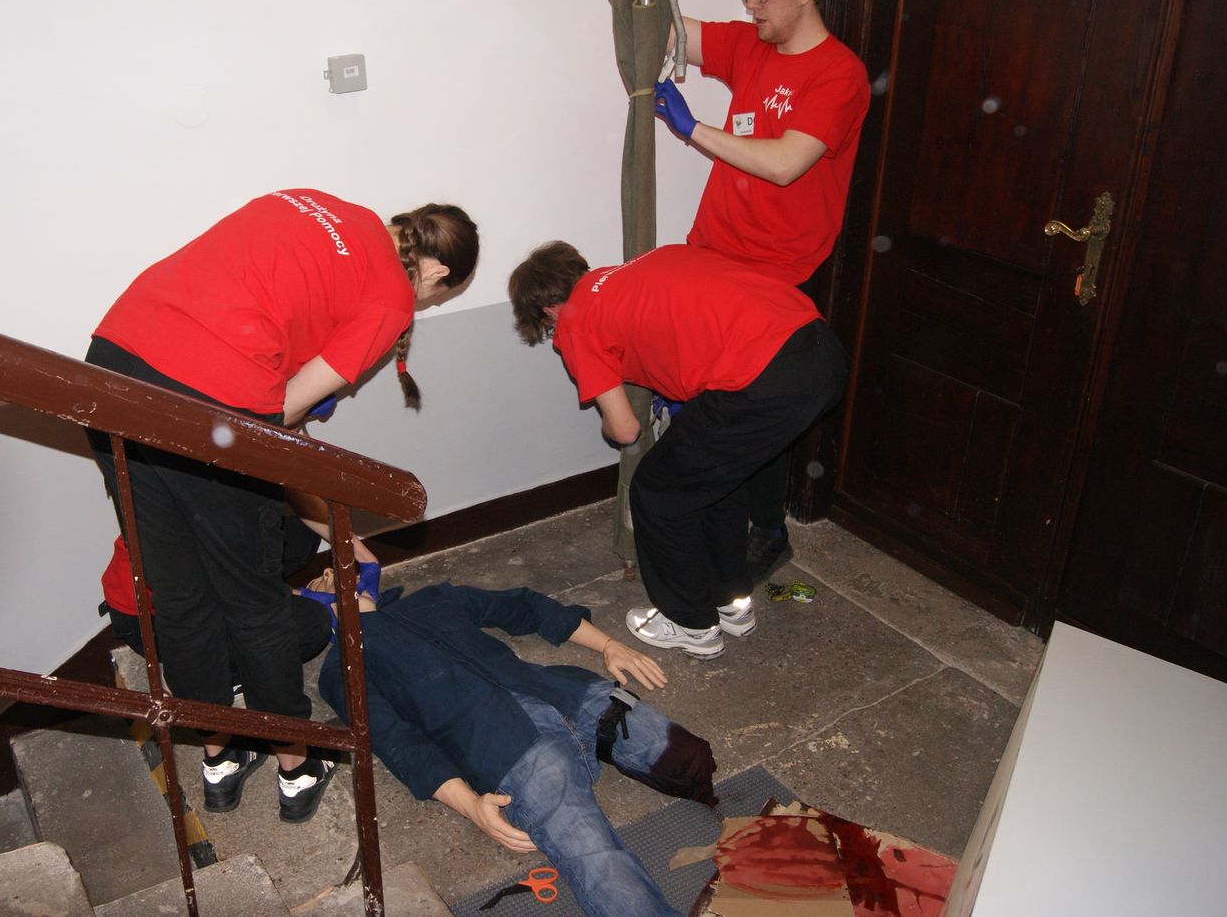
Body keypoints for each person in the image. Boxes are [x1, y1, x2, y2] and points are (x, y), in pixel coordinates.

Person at [85, 189, 478, 823]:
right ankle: (295, 763)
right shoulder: (390, 299)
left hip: (111, 368)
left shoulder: (313, 201)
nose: (423, 306)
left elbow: (259, 308)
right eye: (436, 296)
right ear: (435, 272)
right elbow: (279, 415)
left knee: (179, 597)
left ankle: (218, 756)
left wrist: (335, 527)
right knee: (254, 601)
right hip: (208, 410)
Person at [653, 0, 869, 605]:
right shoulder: (752, 45)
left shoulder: (839, 74)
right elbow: (666, 30)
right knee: (715, 398)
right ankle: (722, 522)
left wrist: (692, 129)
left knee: (754, 405)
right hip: (714, 252)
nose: (750, 6)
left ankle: (766, 531)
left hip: (777, 268)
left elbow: (784, 163)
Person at [508, 242, 847, 658]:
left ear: (547, 310)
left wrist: (607, 421)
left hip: (761, 380)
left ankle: (690, 624)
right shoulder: (654, 260)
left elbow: (625, 430)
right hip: (821, 350)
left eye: (547, 324)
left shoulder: (576, 321)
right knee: (716, 482)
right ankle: (732, 605)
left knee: (657, 492)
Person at [317, 580, 717, 917]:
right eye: (323, 580)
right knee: (597, 857)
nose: (334, 576)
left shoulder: (432, 598)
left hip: (569, 695)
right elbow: (398, 743)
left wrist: (609, 644)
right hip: (513, 751)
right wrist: (471, 806)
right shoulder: (343, 668)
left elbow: (523, 606)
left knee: (691, 759)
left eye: (339, 568)